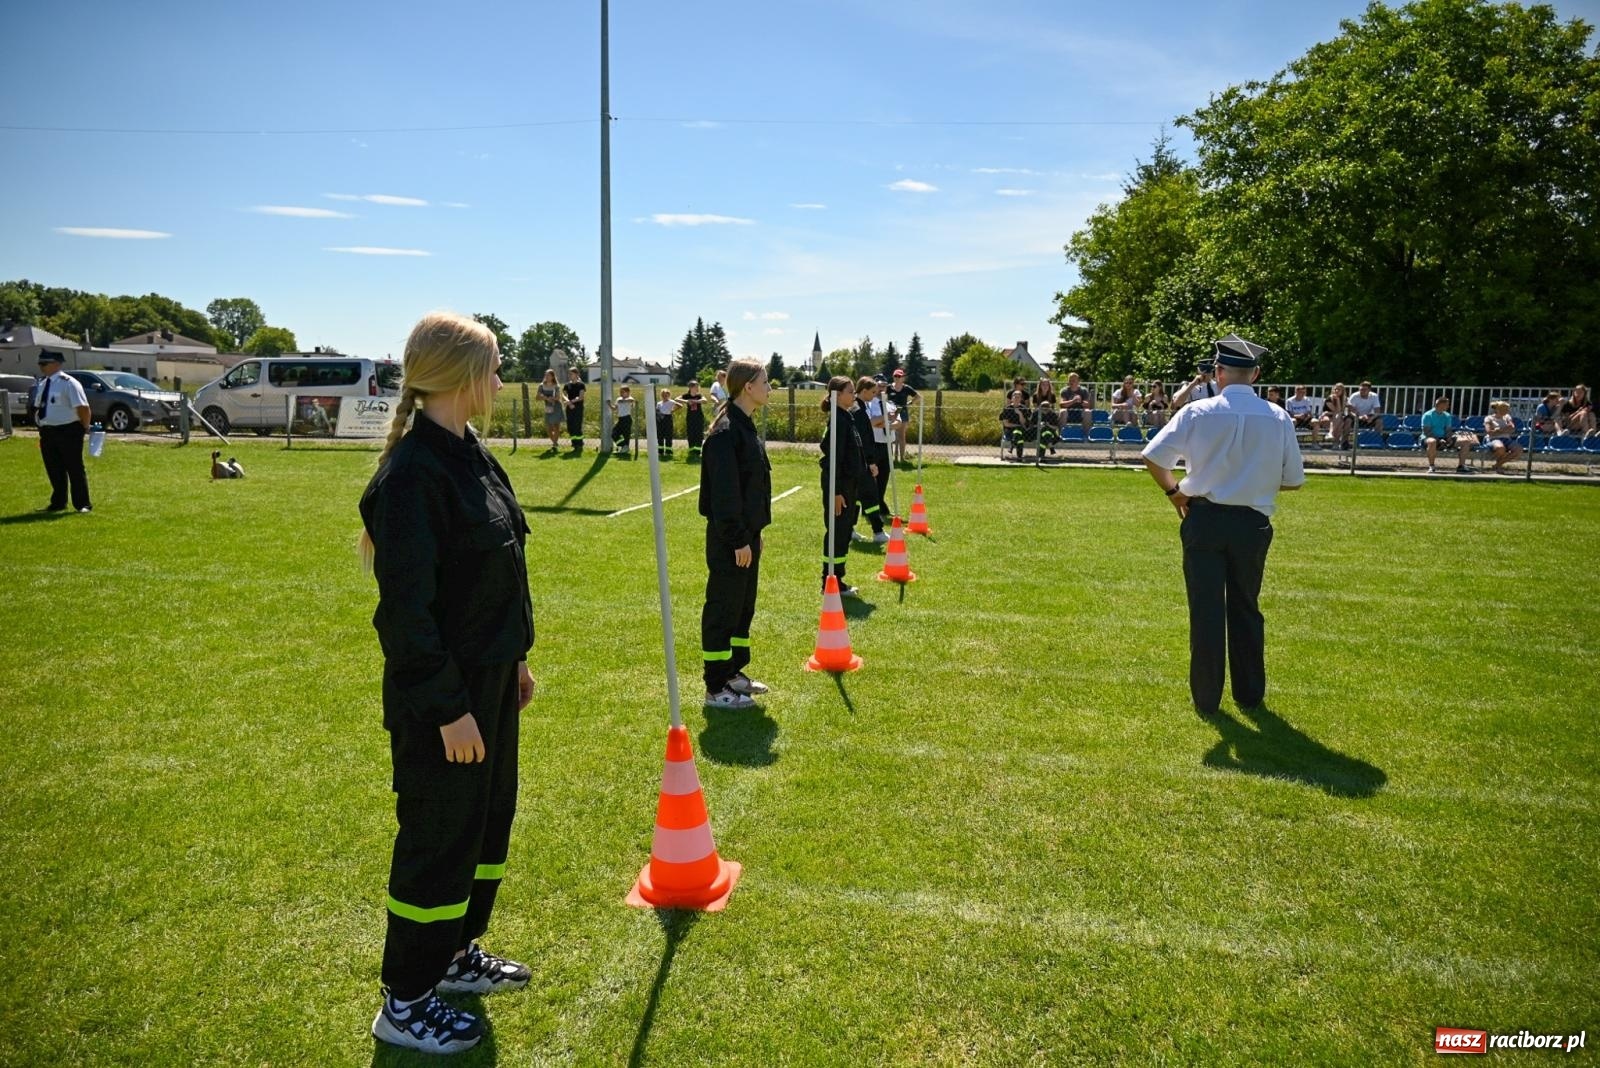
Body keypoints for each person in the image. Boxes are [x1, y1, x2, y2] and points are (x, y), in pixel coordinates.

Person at [356, 312, 536, 1055]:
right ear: (463, 376)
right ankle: (404, 999)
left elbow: (500, 571)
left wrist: (514, 660)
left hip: (489, 683)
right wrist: (448, 710)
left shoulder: (472, 455)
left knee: (484, 826)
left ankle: (454, 953)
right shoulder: (411, 477)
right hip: (444, 703)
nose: (500, 379)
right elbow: (406, 617)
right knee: (438, 836)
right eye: (493, 367)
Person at [1141, 335, 1305, 719]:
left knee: (1206, 611)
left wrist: (1175, 494)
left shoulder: (1198, 412)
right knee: (1246, 607)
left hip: (1204, 519)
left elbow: (1153, 457)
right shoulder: (1278, 416)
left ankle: (1206, 699)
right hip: (1252, 523)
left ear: (1218, 372)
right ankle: (1249, 694)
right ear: (1256, 374)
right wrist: (1253, 481)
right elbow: (1293, 480)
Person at [699, 359, 774, 709]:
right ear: (748, 387)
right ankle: (716, 687)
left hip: (746, 536)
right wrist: (738, 539)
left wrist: (753, 534)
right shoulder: (726, 432)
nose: (769, 388)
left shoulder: (745, 426)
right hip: (731, 540)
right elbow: (724, 496)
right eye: (765, 382)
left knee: (743, 608)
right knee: (723, 609)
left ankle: (732, 673)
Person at [818, 376, 872, 597]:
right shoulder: (838, 422)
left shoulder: (846, 417)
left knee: (843, 533)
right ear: (837, 395)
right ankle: (831, 580)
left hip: (850, 485)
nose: (854, 395)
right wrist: (836, 492)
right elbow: (833, 460)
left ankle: (837, 578)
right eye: (850, 391)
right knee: (837, 533)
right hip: (839, 487)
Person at [32, 350, 92, 513]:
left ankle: (82, 504)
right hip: (48, 431)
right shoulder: (43, 383)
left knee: (74, 467)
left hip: (68, 430)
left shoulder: (69, 383)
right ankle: (58, 502)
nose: (41, 367)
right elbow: (39, 406)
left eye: (44, 363)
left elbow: (83, 408)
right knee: (54, 468)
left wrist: (84, 427)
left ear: (57, 364)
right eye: (40, 363)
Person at [849, 378, 886, 543]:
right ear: (863, 391)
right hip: (862, 461)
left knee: (857, 496)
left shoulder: (859, 408)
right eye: (873, 392)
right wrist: (871, 462)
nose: (875, 395)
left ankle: (850, 529)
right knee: (871, 496)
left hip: (858, 461)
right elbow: (863, 440)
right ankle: (878, 532)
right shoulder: (858, 411)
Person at [865, 376, 896, 520]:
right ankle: (870, 507)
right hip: (874, 444)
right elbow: (871, 422)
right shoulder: (869, 404)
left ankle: (880, 503)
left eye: (884, 386)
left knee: (884, 477)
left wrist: (884, 422)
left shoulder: (890, 404)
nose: (882, 389)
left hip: (887, 445)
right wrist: (886, 419)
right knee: (871, 478)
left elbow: (897, 423)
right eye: (879, 386)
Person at [1419, 395, 1475, 473]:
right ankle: (1432, 466)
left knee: (1466, 441)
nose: (1448, 406)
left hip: (1444, 438)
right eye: (1447, 405)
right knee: (1432, 441)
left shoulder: (1447, 415)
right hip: (1428, 438)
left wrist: (1449, 438)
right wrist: (1439, 440)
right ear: (1441, 404)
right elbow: (1427, 431)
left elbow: (1448, 430)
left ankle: (1461, 466)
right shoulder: (1427, 415)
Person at [886, 368, 921, 463]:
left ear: (903, 378)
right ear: (893, 377)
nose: (897, 378)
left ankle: (901, 458)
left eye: (899, 376)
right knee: (891, 436)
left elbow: (918, 397)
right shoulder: (888, 387)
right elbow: (880, 395)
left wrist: (910, 403)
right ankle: (891, 458)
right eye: (895, 376)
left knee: (901, 436)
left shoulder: (906, 388)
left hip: (903, 413)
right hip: (891, 413)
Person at [1484, 400, 1522, 470]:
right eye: (1505, 409)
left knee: (1518, 450)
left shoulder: (1507, 417)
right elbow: (1489, 432)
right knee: (1500, 448)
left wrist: (1498, 430)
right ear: (1498, 409)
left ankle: (1498, 465)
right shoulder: (1489, 418)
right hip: (1494, 439)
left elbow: (1512, 428)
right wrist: (1505, 429)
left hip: (1506, 439)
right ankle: (1498, 466)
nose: (1507, 411)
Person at [1000, 390, 1029, 460]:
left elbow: (1023, 423)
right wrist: (1017, 425)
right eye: (1015, 397)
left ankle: (1012, 447)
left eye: (1018, 397)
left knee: (1018, 432)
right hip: (1009, 430)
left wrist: (1020, 413)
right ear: (1012, 399)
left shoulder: (1024, 409)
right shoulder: (1007, 409)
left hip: (1021, 431)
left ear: (1021, 399)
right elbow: (1006, 424)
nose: (1016, 399)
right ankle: (1019, 457)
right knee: (1019, 434)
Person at [537, 369, 562, 450]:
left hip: (556, 407)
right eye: (546, 375)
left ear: (552, 377)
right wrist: (546, 398)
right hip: (548, 407)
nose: (547, 377)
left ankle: (554, 444)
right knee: (549, 428)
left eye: (548, 375)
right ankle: (555, 442)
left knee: (556, 427)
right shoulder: (541, 386)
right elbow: (537, 397)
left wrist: (552, 398)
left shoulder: (556, 386)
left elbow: (558, 397)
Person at [562, 367, 586, 453]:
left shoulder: (581, 385)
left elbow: (581, 397)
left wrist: (570, 402)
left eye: (571, 374)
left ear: (576, 374)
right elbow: (564, 395)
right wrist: (569, 403)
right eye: (569, 374)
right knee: (570, 427)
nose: (569, 375)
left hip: (578, 408)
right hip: (569, 408)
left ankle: (579, 444)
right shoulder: (567, 385)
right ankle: (574, 443)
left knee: (577, 426)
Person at [682, 381, 708, 458]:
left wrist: (695, 401)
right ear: (691, 387)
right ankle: (691, 451)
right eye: (696, 386)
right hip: (690, 418)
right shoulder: (686, 395)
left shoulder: (699, 395)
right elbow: (676, 399)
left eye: (698, 386)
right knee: (691, 434)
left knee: (699, 434)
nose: (697, 388)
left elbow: (705, 401)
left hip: (699, 418)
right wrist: (687, 401)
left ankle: (698, 452)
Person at [654, 388, 682, 459]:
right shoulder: (659, 403)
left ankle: (668, 452)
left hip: (668, 418)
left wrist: (673, 410)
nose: (664, 396)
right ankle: (660, 451)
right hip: (660, 419)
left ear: (669, 395)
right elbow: (657, 411)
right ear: (661, 395)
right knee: (660, 436)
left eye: (666, 395)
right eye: (663, 395)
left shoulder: (671, 401)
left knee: (668, 436)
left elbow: (680, 406)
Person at [1319, 383, 1349, 447]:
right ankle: (1335, 442)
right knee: (1339, 422)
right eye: (1335, 389)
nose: (1336, 391)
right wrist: (1328, 413)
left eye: (1339, 389)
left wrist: (1337, 400)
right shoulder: (1329, 399)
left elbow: (1340, 411)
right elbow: (1336, 411)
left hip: (1336, 417)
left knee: (1340, 422)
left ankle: (1331, 434)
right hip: (1326, 417)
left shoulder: (1344, 399)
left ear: (1342, 391)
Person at [609, 385, 635, 455]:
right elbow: (614, 408)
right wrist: (609, 404)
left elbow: (631, 401)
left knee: (626, 435)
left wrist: (623, 401)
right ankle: (623, 446)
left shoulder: (630, 398)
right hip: (620, 419)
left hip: (627, 419)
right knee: (614, 433)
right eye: (620, 392)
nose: (621, 393)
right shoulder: (618, 399)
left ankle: (624, 449)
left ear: (628, 392)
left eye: (623, 392)